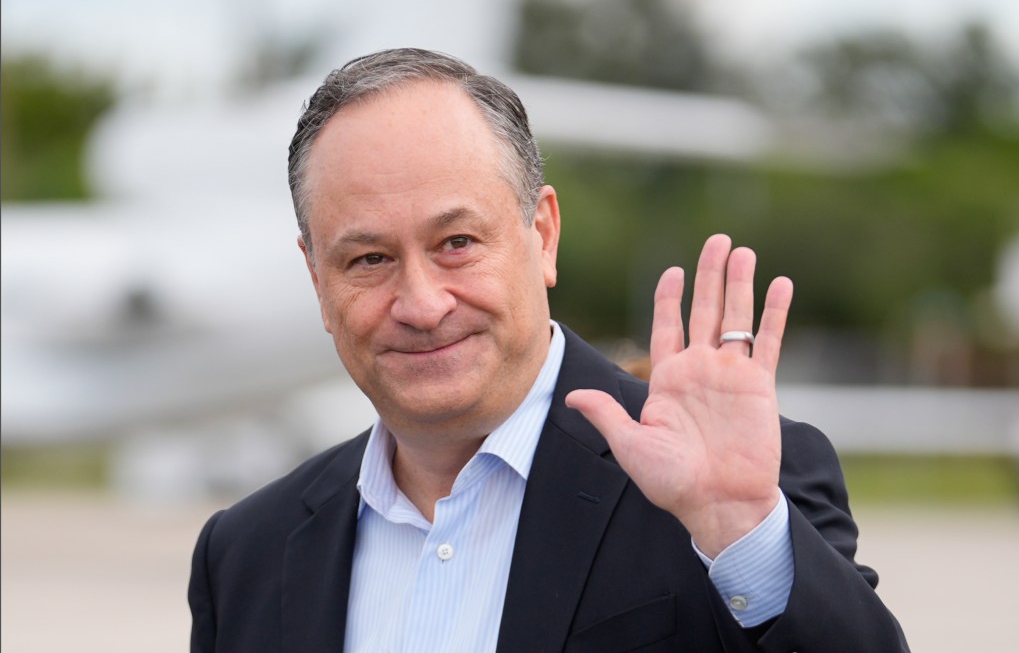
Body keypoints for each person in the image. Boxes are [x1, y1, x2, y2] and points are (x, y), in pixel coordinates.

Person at [189, 48, 909, 652]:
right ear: (318, 279)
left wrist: (741, 535)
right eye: (369, 259)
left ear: (543, 235)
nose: (421, 303)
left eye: (458, 244)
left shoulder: (725, 490)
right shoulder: (246, 554)